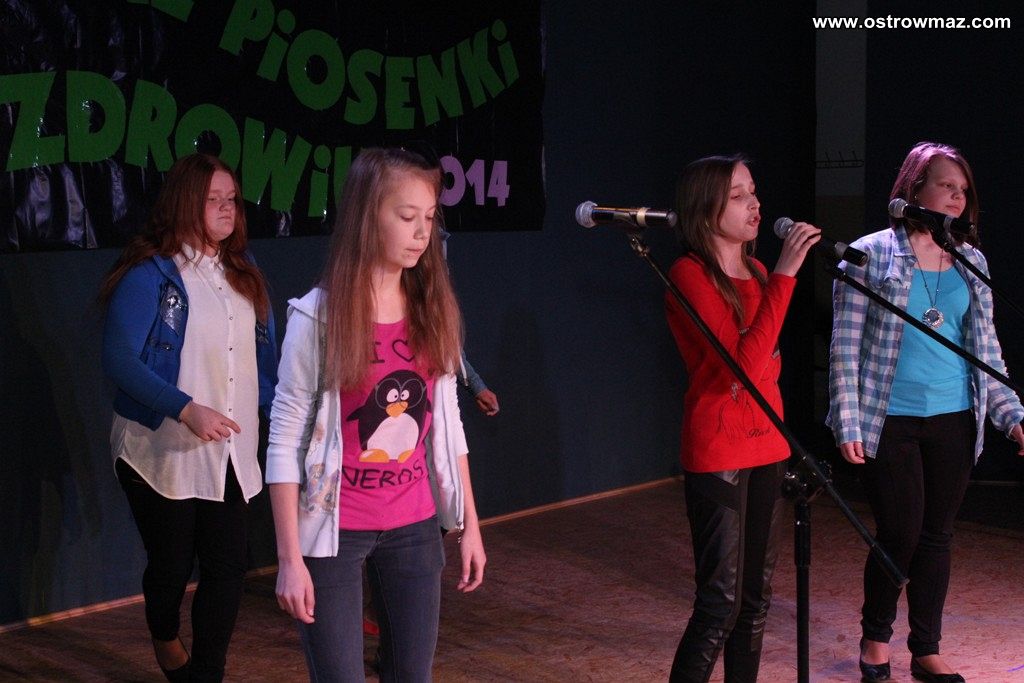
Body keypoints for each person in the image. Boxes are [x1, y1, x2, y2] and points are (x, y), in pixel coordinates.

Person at [267, 147, 486, 682]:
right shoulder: (317, 317)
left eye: (429, 217)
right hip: (335, 529)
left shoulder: (432, 309)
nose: (422, 233)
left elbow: (448, 427)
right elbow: (284, 441)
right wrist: (289, 558)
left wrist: (470, 525)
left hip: (414, 525)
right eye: (407, 216)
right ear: (369, 216)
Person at [828, 141, 1024, 683]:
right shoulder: (868, 254)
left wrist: (1011, 413)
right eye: (945, 185)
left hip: (956, 417)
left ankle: (926, 649)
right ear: (914, 188)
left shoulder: (972, 261)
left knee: (937, 535)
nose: (957, 197)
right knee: (900, 532)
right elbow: (844, 347)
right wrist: (847, 419)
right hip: (889, 418)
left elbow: (986, 349)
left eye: (963, 190)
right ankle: (875, 639)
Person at [100, 153, 277, 682]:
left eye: (232, 199)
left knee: (227, 568)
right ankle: (163, 635)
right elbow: (120, 359)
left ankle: (207, 675)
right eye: (212, 199)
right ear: (183, 203)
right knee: (172, 568)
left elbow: (262, 367)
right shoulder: (152, 274)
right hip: (162, 452)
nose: (227, 209)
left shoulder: (244, 274)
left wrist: (290, 417)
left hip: (229, 453)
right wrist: (185, 408)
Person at [664, 155, 820, 682]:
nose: (754, 203)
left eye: (753, 191)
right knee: (720, 604)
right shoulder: (689, 274)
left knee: (755, 601)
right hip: (719, 449)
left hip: (767, 445)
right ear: (704, 208)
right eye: (737, 195)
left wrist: (775, 279)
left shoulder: (757, 272)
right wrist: (786, 276)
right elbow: (744, 369)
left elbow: (769, 364)